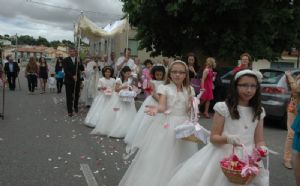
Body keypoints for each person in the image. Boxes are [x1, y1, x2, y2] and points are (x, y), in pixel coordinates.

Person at [166, 69, 268, 186]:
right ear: (235, 86)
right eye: (244, 85)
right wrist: (228, 139)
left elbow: (259, 140)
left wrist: (262, 148)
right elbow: (214, 138)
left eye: (253, 86)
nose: (249, 90)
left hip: (248, 158)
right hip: (224, 155)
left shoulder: (259, 111)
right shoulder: (223, 108)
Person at [118, 60, 198, 186]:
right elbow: (162, 106)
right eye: (174, 72)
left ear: (185, 75)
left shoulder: (189, 89)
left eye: (181, 72)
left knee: (181, 155)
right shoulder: (164, 88)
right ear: (170, 73)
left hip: (183, 125)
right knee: (164, 156)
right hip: (168, 124)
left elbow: (189, 109)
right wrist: (156, 109)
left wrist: (193, 106)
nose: (178, 75)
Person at [124, 65, 166, 156]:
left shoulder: (165, 82)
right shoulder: (152, 82)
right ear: (154, 74)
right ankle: (144, 139)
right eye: (157, 74)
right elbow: (153, 92)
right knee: (147, 121)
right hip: (154, 101)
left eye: (160, 74)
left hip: (162, 102)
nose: (159, 76)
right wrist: (160, 100)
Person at [91, 66, 137, 138]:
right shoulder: (119, 80)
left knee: (127, 114)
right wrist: (123, 87)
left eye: (129, 73)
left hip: (128, 98)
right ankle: (116, 128)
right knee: (118, 113)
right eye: (127, 73)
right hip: (119, 98)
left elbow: (131, 88)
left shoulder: (130, 80)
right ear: (123, 73)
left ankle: (126, 129)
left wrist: (131, 88)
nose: (128, 75)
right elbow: (116, 89)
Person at [284, 71, 300, 169]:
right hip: (293, 108)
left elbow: (296, 89)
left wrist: (290, 77)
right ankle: (287, 159)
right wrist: (290, 77)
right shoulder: (298, 77)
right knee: (291, 134)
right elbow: (296, 90)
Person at [62, 48, 84, 117]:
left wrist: (79, 63)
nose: (72, 52)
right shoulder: (65, 60)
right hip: (68, 80)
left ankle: (75, 107)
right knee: (69, 96)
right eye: (70, 51)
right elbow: (66, 70)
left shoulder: (78, 59)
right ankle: (70, 111)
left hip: (77, 80)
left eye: (73, 51)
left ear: (75, 52)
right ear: (69, 52)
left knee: (76, 95)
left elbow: (82, 68)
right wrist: (72, 76)